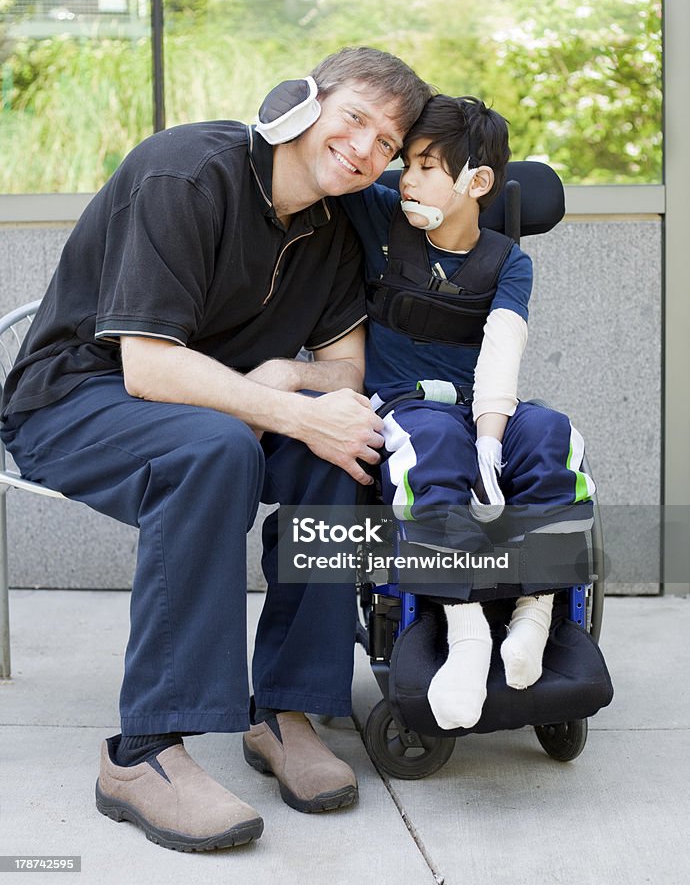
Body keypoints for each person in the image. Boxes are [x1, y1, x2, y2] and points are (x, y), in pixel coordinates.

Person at [0, 47, 431, 851]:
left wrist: (285, 380)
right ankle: (142, 752)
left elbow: (345, 368)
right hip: (73, 398)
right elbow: (147, 365)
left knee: (348, 444)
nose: (368, 150)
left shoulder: (334, 230)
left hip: (217, 404)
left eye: (388, 144)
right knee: (220, 450)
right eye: (356, 119)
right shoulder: (187, 174)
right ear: (302, 104)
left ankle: (287, 708)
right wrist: (285, 406)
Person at [341, 94, 595, 732]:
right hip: (405, 405)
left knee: (550, 433)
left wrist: (492, 436)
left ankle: (536, 615)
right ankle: (465, 632)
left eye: (428, 166)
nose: (409, 179)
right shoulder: (380, 217)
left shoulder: (509, 263)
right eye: (408, 163)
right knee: (432, 445)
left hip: (481, 405)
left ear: (476, 182)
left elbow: (503, 350)